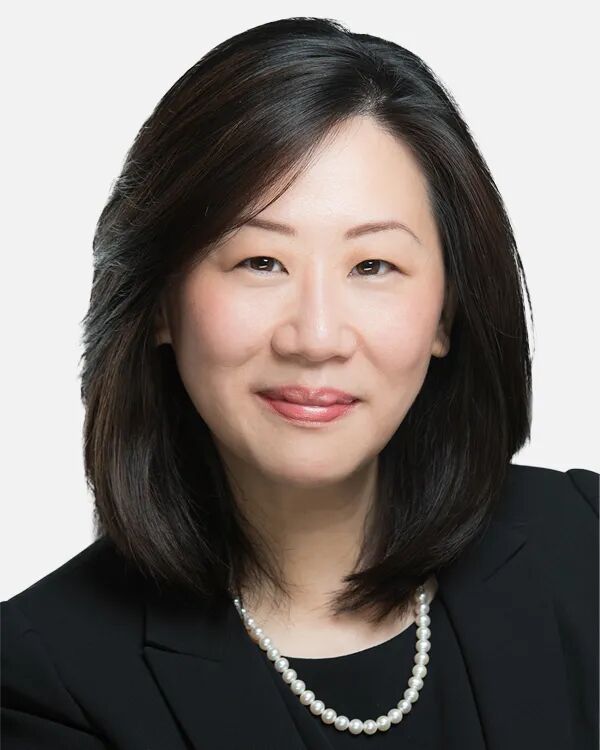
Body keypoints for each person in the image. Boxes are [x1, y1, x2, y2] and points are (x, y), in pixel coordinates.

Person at [1, 16, 597, 750]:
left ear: (446, 314)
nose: (315, 337)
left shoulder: (586, 545)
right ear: (160, 305)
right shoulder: (42, 682)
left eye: (373, 266)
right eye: (261, 263)